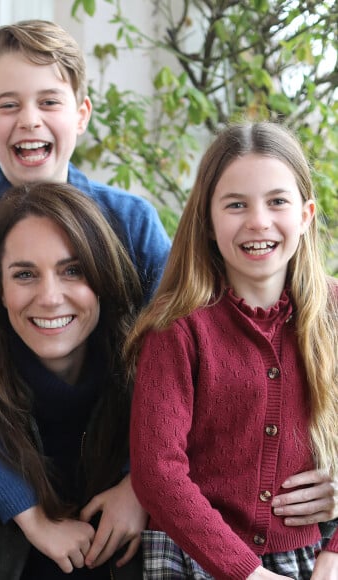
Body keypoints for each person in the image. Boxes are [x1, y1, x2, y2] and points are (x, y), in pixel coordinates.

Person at [0, 19, 171, 576]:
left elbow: (174, 367)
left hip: (123, 478)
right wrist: (29, 516)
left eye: (48, 101)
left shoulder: (133, 223)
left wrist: (140, 484)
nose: (29, 120)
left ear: (80, 113)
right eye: (8, 104)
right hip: (4, 485)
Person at [127, 122, 338, 579]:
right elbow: (156, 471)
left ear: (305, 215)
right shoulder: (177, 328)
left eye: (277, 201)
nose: (258, 221)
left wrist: (335, 554)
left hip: (310, 558)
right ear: (207, 220)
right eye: (236, 204)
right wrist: (249, 574)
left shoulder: (334, 314)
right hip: (193, 556)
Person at [0, 181, 145, 578]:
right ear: (0, 290)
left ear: (103, 278)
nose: (50, 297)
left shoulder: (151, 393)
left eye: (72, 270)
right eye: (25, 274)